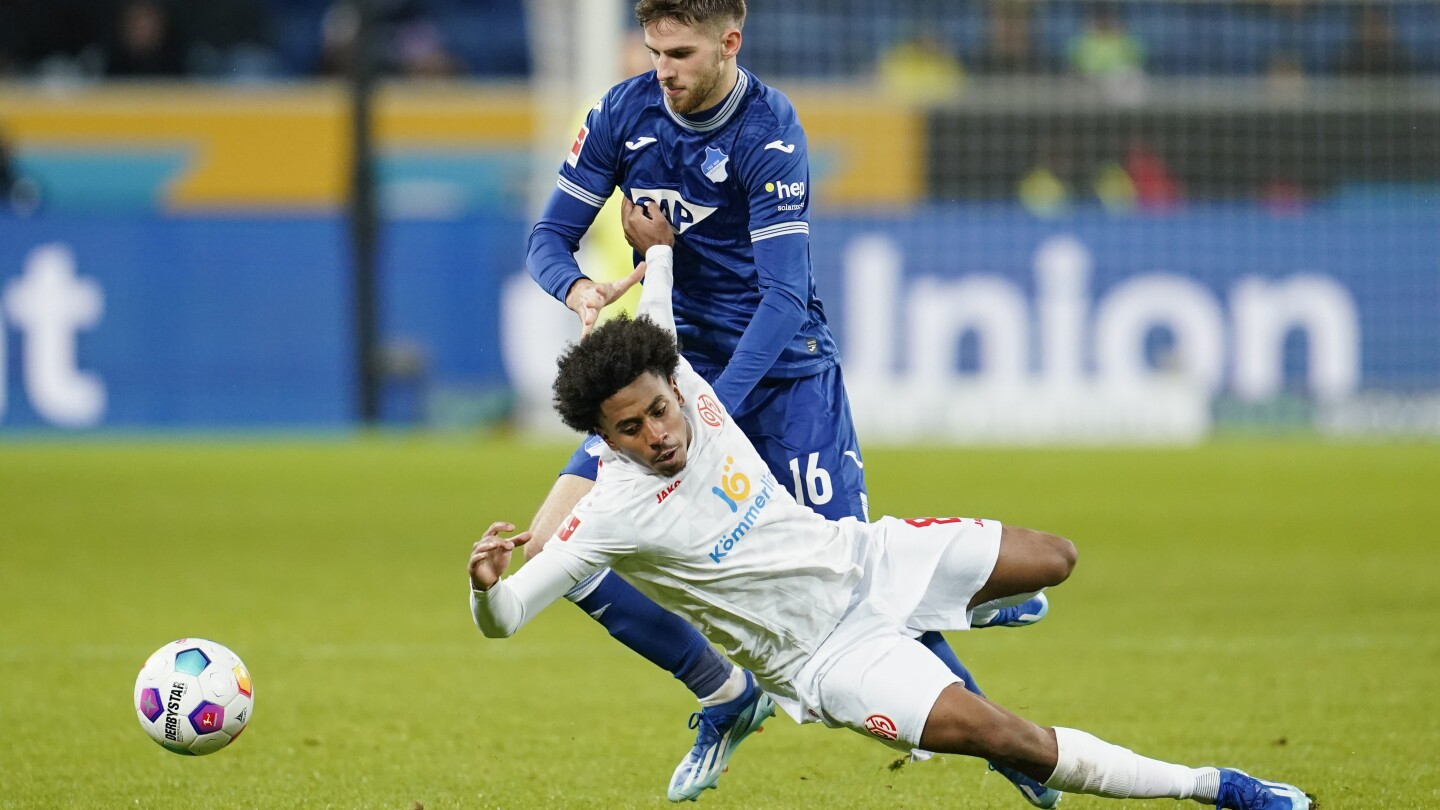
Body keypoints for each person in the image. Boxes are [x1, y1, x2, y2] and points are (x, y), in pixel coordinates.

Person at [466, 234, 1314, 810]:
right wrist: (483, 589)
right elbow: (505, 621)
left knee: (1056, 558)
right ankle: (1216, 788)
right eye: (631, 429)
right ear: (602, 438)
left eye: (658, 411)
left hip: (871, 559)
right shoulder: (607, 517)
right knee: (1002, 736)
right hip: (828, 658)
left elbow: (658, 297)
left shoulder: (679, 376)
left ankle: (965, 605)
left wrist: (653, 244)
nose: (658, 434)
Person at [522, 1, 1051, 803]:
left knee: (850, 590)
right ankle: (724, 692)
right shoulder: (620, 113)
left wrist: (711, 417)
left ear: (730, 42)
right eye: (654, 49)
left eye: (682, 52)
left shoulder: (769, 132)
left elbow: (781, 299)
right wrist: (580, 287)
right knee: (549, 546)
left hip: (782, 378)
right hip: (666, 384)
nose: (663, 68)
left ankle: (1003, 737)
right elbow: (547, 239)